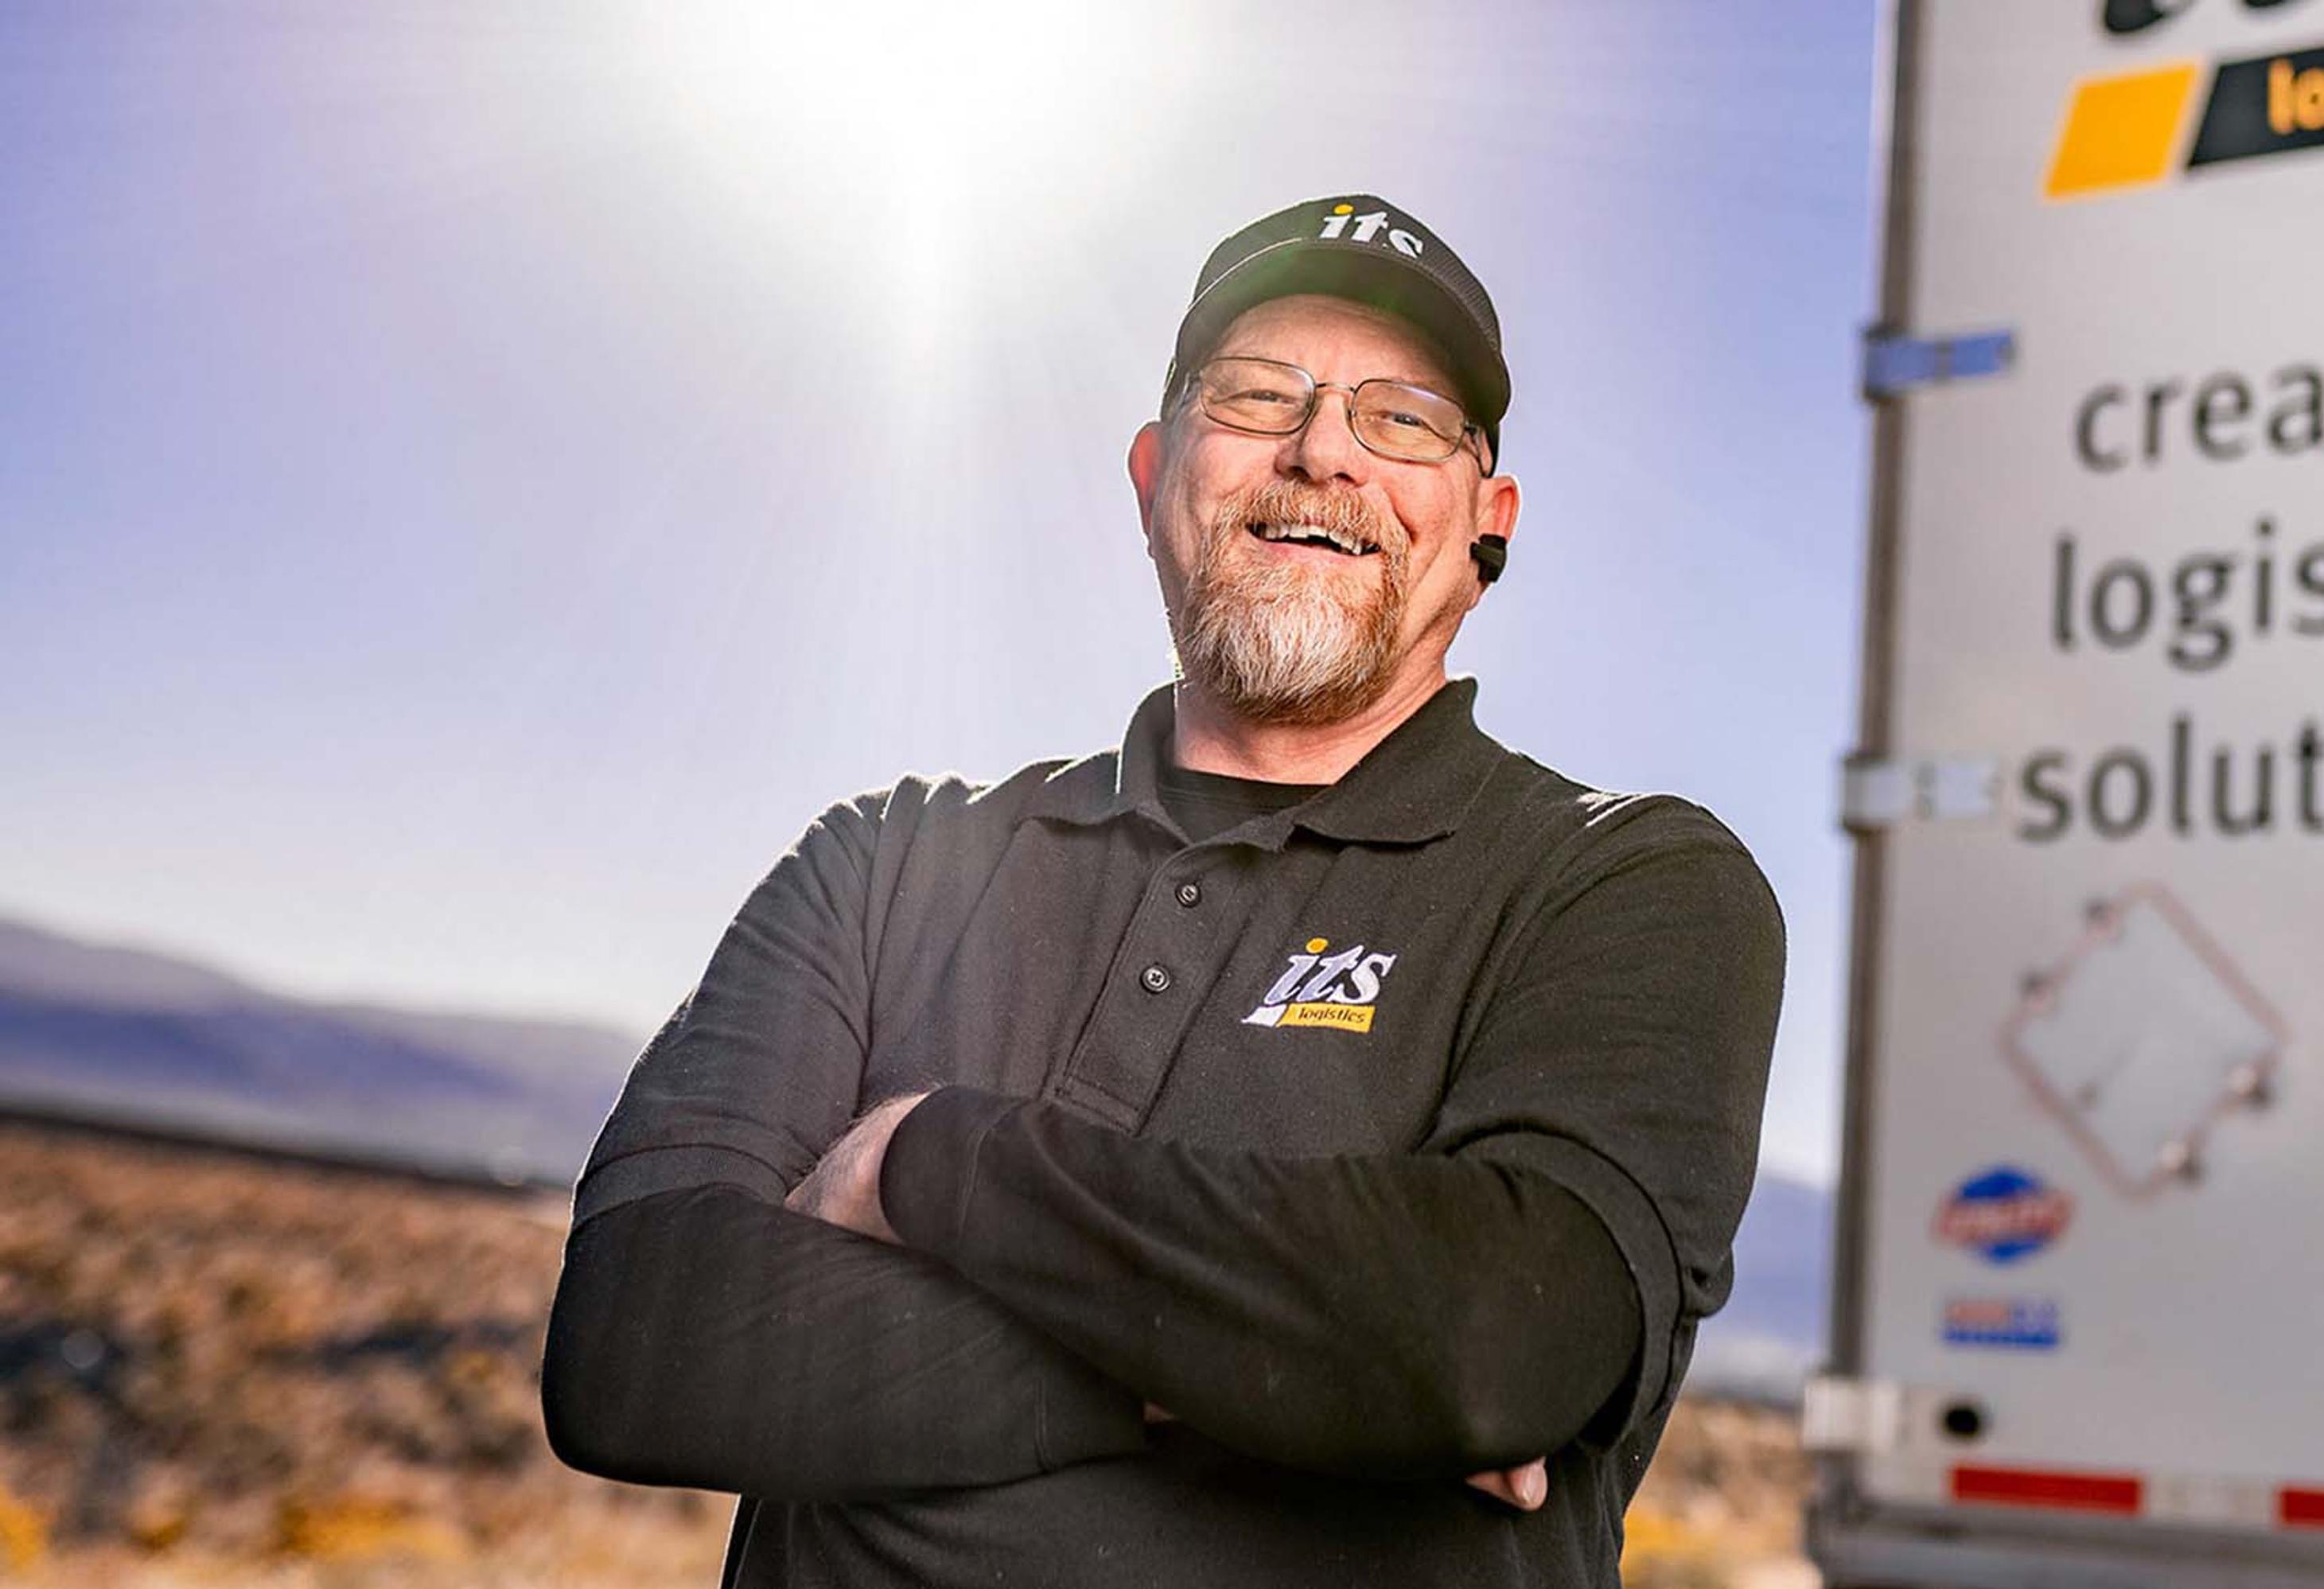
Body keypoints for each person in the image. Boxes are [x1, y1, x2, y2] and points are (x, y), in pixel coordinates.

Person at [539, 193, 1786, 1588]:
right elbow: (636, 1347)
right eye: (1258, 396)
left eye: (1404, 419)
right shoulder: (887, 863)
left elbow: (1490, 1342)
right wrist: (1272, 1378)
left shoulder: (1625, 885)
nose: (1321, 452)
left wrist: (924, 1157)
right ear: (1152, 472)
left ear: (1486, 524)